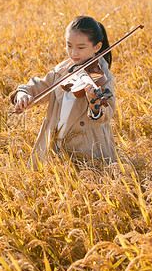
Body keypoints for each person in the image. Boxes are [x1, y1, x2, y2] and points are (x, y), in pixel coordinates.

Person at [10, 16, 118, 170]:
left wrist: (95, 104)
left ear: (97, 47)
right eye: (69, 46)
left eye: (81, 48)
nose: (73, 53)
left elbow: (107, 111)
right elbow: (43, 85)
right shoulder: (64, 69)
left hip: (87, 148)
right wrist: (23, 92)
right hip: (56, 145)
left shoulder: (101, 77)